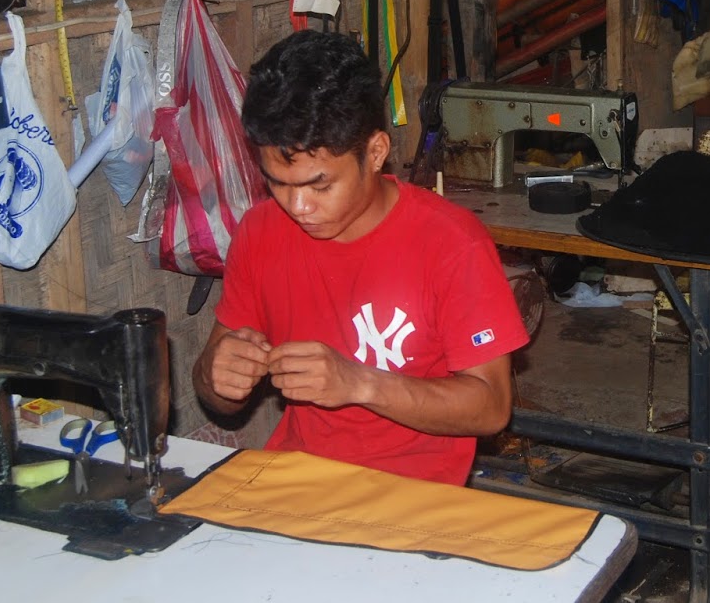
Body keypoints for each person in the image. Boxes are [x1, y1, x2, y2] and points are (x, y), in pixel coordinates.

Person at [192, 30, 528, 486]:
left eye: (320, 185)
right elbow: (218, 396)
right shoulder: (259, 232)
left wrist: (360, 383)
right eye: (277, 183)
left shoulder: (451, 244)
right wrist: (218, 376)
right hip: (299, 480)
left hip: (413, 491)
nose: (298, 207)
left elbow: (491, 407)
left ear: (375, 152)